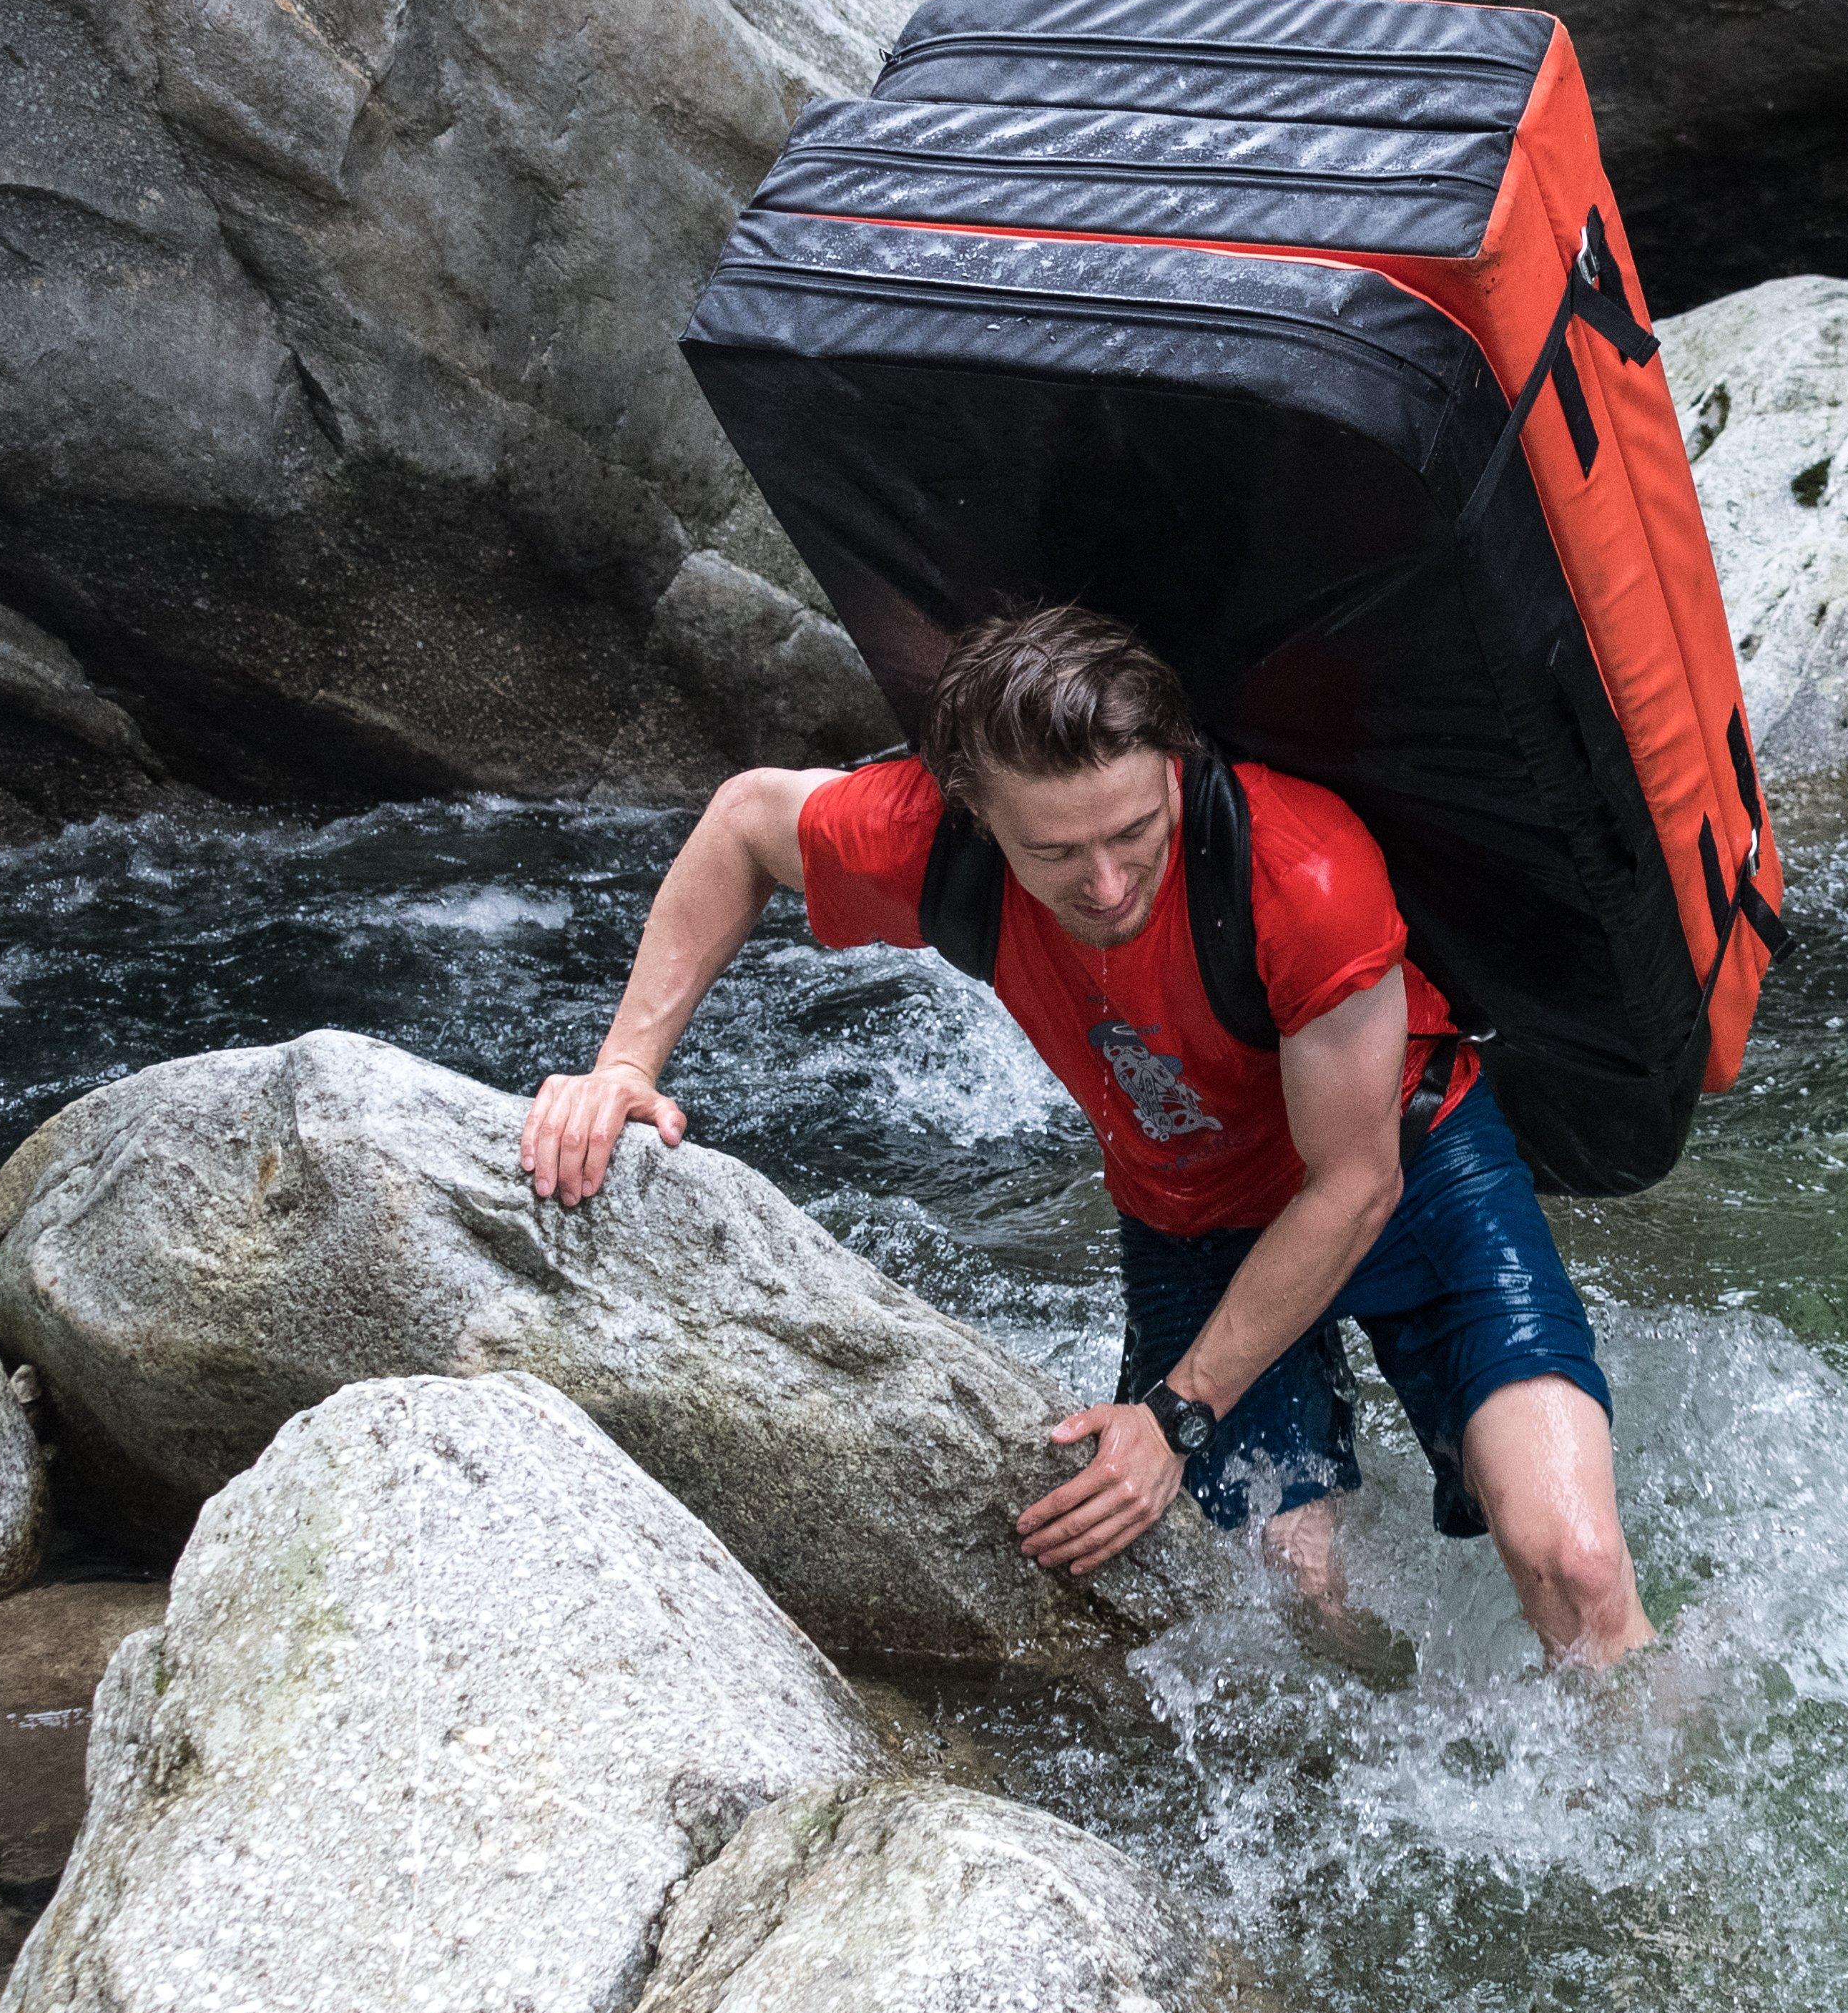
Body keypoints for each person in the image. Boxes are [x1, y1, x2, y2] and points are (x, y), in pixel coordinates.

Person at [519, 606, 1653, 1669]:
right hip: (1195, 1215)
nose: (1105, 884)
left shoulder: (1300, 873)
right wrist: (625, 1067)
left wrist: (1174, 1412)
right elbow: (742, 823)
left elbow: (1352, 1189)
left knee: (1575, 1564)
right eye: (1055, 852)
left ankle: (1641, 1798)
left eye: (1133, 832)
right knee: (1292, 1602)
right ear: (975, 813)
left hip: (1410, 1169)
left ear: (1176, 767)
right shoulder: (928, 841)